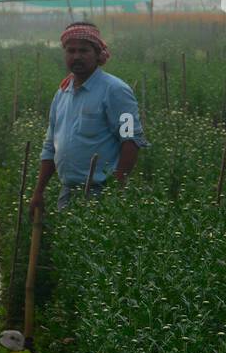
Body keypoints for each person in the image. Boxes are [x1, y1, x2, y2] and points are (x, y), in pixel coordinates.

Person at [28, 22, 149, 214]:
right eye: (71, 50)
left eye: (83, 51)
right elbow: (51, 146)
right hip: (68, 193)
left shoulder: (115, 90)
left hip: (101, 194)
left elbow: (131, 140)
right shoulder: (62, 93)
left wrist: (116, 189)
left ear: (98, 54)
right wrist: (39, 192)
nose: (76, 56)